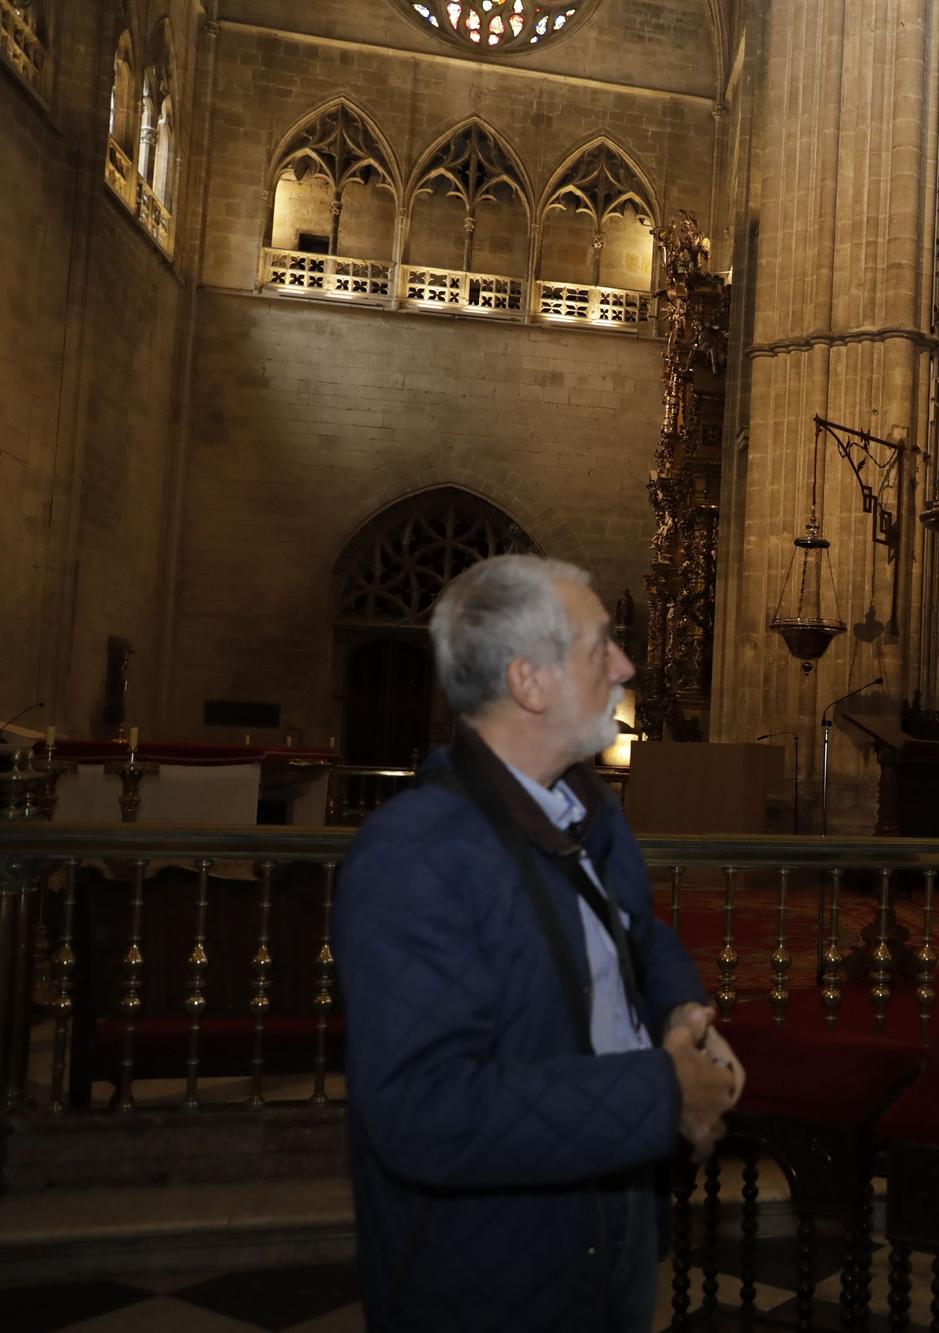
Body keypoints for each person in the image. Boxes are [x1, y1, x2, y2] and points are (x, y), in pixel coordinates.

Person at [335, 554, 743, 1332]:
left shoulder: (588, 808)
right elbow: (426, 1111)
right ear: (529, 680)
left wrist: (682, 1010)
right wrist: (665, 1093)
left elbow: (636, 936)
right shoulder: (413, 854)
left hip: (607, 1226)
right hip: (492, 1271)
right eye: (601, 648)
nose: (625, 666)